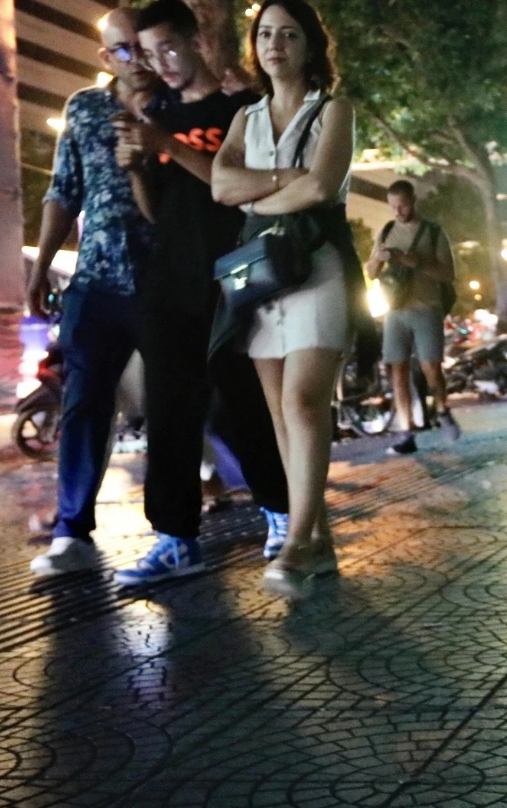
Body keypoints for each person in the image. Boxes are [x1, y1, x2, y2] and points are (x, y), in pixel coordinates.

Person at [109, 0, 291, 586]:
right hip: (169, 280)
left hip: (233, 276)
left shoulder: (242, 110)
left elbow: (234, 189)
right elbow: (154, 209)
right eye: (148, 52)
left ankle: (282, 513)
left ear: (196, 41)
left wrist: (163, 141)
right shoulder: (157, 115)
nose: (160, 63)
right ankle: (175, 538)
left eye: (168, 48)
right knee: (169, 411)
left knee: (244, 403)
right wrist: (137, 163)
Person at [210, 0, 370, 598]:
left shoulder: (334, 110)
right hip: (259, 276)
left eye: (290, 34)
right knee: (279, 412)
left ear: (310, 47)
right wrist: (284, 184)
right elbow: (221, 186)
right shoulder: (243, 120)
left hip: (318, 264)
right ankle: (319, 539)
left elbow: (323, 186)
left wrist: (258, 196)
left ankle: (297, 539)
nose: (275, 44)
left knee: (304, 402)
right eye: (266, 34)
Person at [27, 9, 158, 576]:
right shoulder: (83, 108)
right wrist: (41, 270)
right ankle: (71, 532)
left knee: (188, 400)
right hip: (97, 283)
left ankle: (192, 524)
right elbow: (64, 191)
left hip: (165, 282)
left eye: (144, 47)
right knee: (84, 404)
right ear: (106, 57)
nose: (138, 59)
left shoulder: (179, 106)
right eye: (122, 50)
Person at [364, 180, 459, 455]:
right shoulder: (386, 231)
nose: (399, 211)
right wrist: (378, 259)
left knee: (431, 368)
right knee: (398, 371)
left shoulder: (433, 232)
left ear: (414, 200)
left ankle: (442, 410)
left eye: (403, 205)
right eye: (393, 206)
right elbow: (370, 273)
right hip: (395, 311)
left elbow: (448, 274)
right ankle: (407, 433)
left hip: (426, 308)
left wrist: (415, 262)